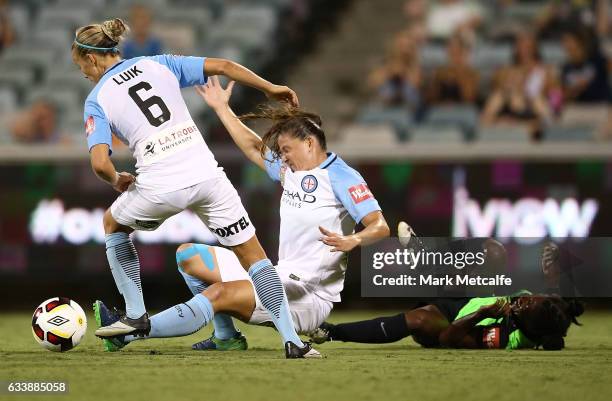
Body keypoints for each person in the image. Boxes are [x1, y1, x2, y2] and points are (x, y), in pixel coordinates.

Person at [93, 75, 390, 354]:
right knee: (188, 256)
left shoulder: (342, 176)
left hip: (309, 297)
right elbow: (253, 147)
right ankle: (226, 338)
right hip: (280, 277)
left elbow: (379, 225)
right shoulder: (293, 172)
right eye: (281, 152)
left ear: (310, 143)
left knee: (220, 294)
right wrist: (222, 108)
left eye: (287, 149)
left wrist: (354, 240)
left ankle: (127, 333)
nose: (282, 157)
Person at [72, 18, 314, 358]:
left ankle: (137, 314)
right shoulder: (160, 63)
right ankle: (293, 342)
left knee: (113, 224)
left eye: (80, 64)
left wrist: (117, 180)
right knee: (255, 258)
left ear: (92, 59)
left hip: (160, 184)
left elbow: (100, 163)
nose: (82, 72)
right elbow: (226, 66)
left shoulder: (96, 99)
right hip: (208, 177)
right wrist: (270, 88)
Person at [310, 234, 584, 350]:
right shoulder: (545, 310)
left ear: (528, 325)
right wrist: (552, 272)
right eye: (527, 298)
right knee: (494, 252)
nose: (522, 300)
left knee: (420, 318)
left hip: (450, 322)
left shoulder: (503, 337)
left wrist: (482, 313)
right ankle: (428, 261)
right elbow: (556, 293)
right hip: (467, 297)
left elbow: (449, 338)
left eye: (525, 305)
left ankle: (332, 332)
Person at [480, 32, 558, 140]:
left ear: (535, 48)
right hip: (511, 110)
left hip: (535, 111)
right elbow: (498, 90)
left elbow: (555, 97)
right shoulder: (505, 71)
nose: (524, 49)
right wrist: (513, 83)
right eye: (521, 45)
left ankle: (533, 126)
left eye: (528, 46)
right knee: (498, 97)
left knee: (537, 100)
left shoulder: (546, 71)